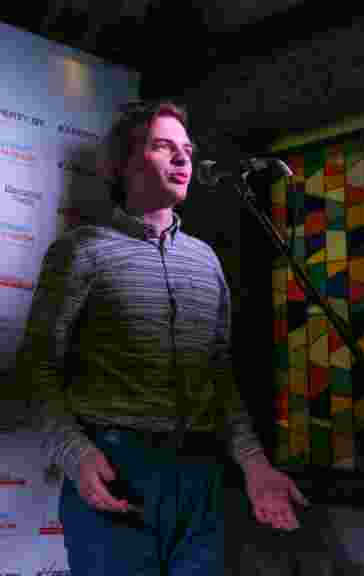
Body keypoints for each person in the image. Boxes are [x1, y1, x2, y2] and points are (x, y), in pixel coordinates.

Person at [16, 99, 308, 575]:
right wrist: (76, 454)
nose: (182, 158)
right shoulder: (80, 251)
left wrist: (254, 463)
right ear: (125, 163)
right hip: (118, 469)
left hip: (202, 477)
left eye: (187, 150)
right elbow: (36, 366)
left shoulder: (206, 261)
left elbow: (218, 376)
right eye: (162, 146)